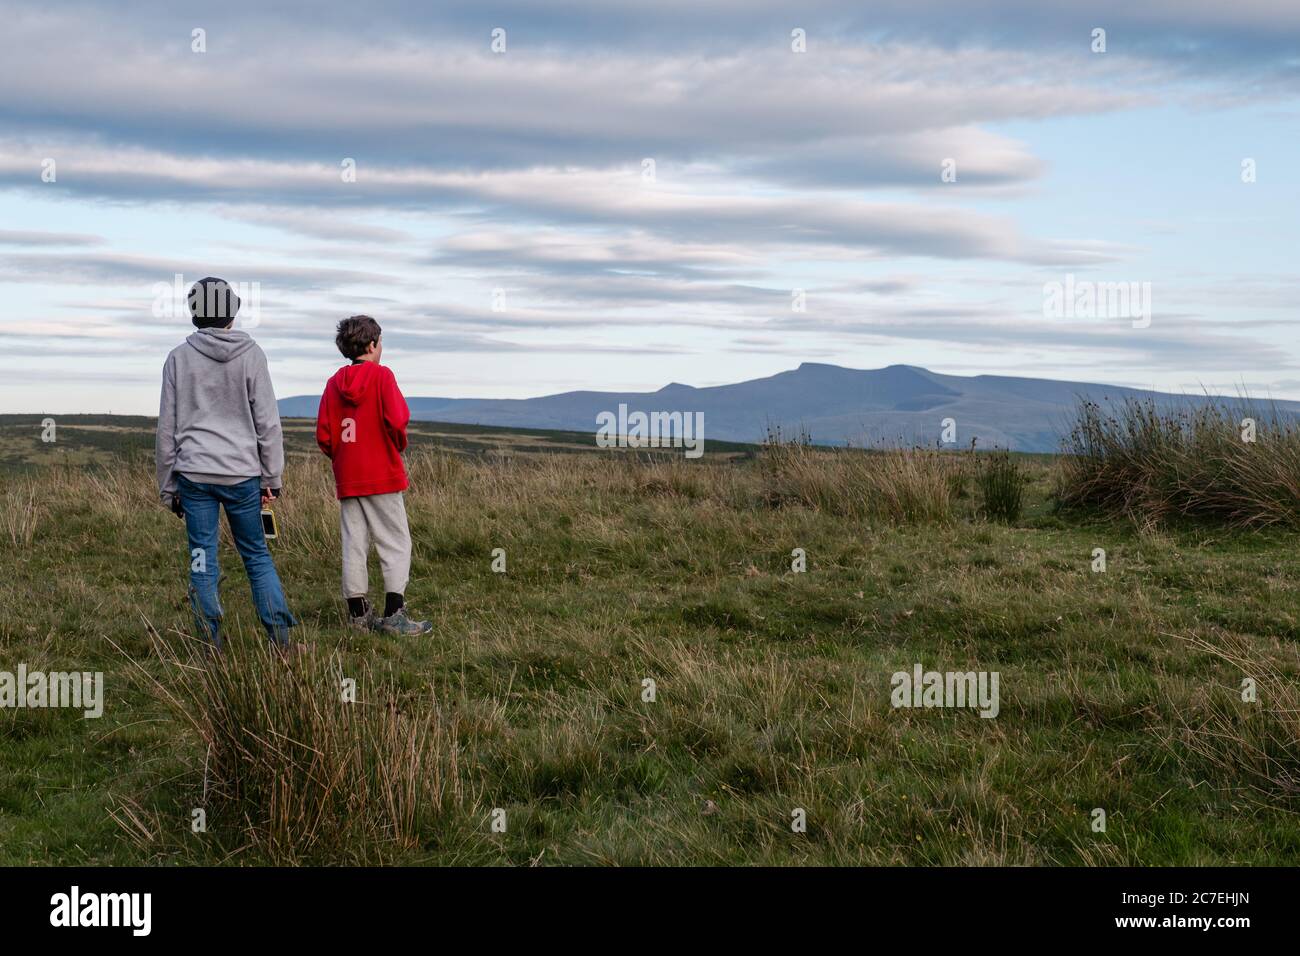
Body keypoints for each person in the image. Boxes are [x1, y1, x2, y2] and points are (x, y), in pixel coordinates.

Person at [155, 276, 297, 649]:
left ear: (194, 314)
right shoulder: (252, 355)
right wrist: (272, 477)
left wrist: (168, 487)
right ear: (232, 312)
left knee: (202, 557)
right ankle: (281, 640)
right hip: (242, 475)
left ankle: (209, 644)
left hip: (194, 475)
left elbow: (166, 429)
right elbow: (268, 422)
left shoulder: (178, 358)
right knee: (256, 554)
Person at [315, 315, 432, 635]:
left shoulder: (333, 383)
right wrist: (395, 447)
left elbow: (324, 435)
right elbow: (397, 420)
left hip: (348, 475)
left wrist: (342, 457)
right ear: (372, 345)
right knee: (394, 540)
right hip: (382, 472)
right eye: (380, 342)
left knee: (354, 541)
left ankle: (358, 615)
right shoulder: (382, 376)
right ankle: (394, 614)